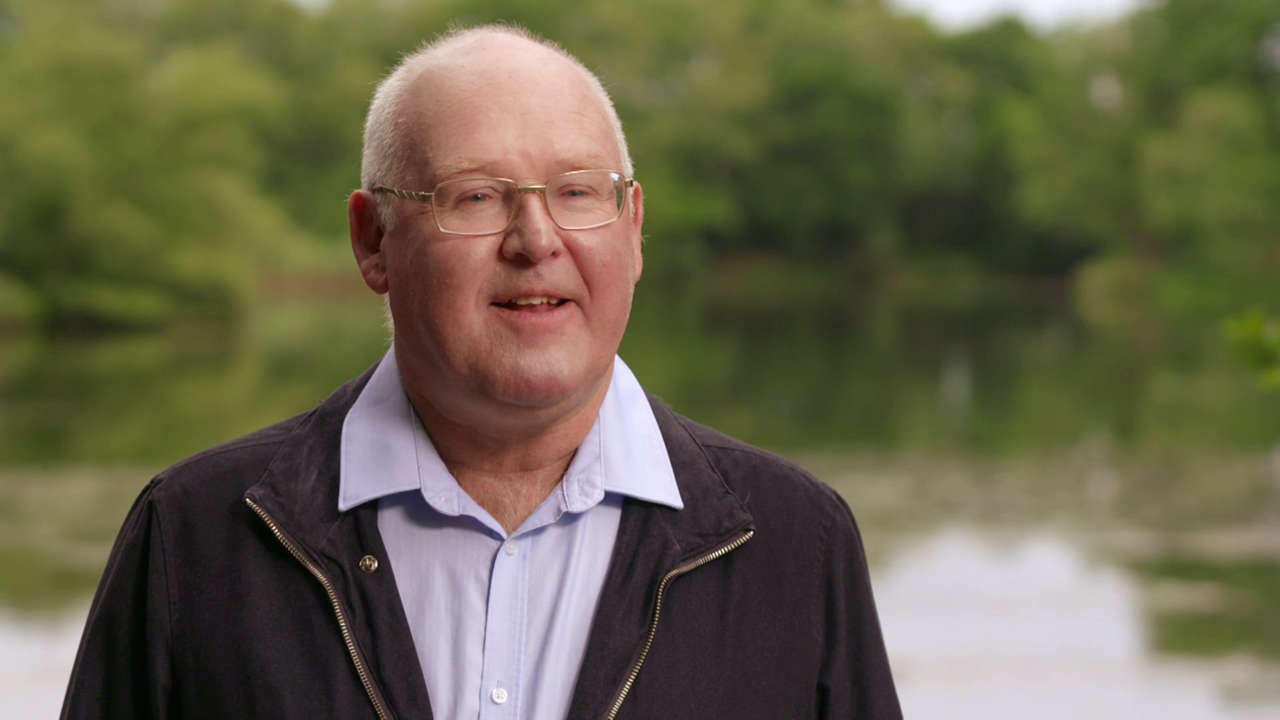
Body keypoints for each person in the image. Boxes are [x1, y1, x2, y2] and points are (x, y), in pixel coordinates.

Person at [61, 24, 901, 720]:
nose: (536, 240)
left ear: (633, 227)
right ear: (372, 240)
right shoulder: (195, 538)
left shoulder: (796, 543)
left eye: (577, 192)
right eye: (475, 196)